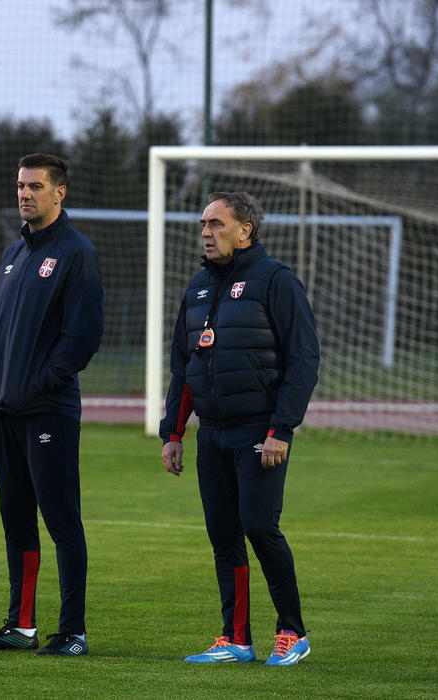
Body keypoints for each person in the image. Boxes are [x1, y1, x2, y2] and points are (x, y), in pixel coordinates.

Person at [160, 191, 319, 666]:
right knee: (223, 534)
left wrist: (281, 429)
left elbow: (303, 359)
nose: (206, 232)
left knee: (260, 527)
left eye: (216, 224)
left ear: (245, 229)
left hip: (259, 431)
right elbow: (184, 365)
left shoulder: (276, 279)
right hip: (212, 434)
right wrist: (173, 432)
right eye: (203, 224)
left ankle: (292, 632)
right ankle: (236, 638)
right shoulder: (197, 287)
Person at [0, 154, 103, 656]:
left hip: (49, 410)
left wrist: (38, 385)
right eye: (20, 185)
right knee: (17, 520)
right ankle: (21, 625)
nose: (25, 194)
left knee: (61, 519)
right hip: (6, 414)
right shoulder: (13, 254)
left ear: (59, 192)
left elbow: (82, 337)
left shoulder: (76, 252)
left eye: (35, 186)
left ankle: (73, 632)